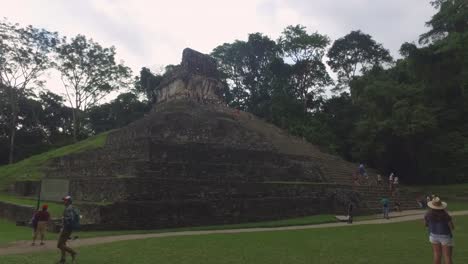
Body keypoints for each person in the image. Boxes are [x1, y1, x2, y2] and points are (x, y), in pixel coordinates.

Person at [425, 197, 454, 264]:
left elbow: (426, 224)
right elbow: (452, 227)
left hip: (433, 235)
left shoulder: (428, 214)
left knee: (437, 254)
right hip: (445, 236)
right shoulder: (445, 215)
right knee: (447, 256)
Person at [57, 196, 77, 264]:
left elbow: (70, 219)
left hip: (66, 228)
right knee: (63, 243)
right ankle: (63, 259)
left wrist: (64, 218)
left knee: (59, 245)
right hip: (67, 228)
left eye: (65, 200)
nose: (64, 201)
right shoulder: (70, 207)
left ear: (68, 201)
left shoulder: (69, 208)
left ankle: (73, 252)